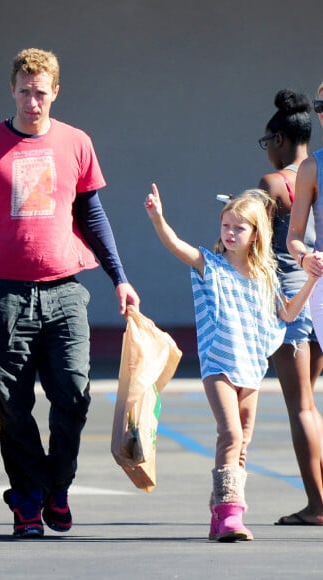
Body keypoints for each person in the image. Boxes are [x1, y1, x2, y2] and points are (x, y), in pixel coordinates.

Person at [0, 47, 140, 538]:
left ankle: (58, 486)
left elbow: (93, 216)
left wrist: (119, 277)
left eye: (41, 92)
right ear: (11, 90)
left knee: (74, 396)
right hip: (2, 293)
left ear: (55, 91)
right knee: (11, 402)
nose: (32, 101)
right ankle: (29, 497)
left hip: (64, 290)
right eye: (24, 91)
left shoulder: (76, 143)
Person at [145, 184, 318, 542]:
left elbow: (287, 314)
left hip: (251, 367)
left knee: (243, 442)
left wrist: (312, 280)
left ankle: (222, 511)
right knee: (231, 434)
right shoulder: (213, 266)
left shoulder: (265, 276)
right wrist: (159, 219)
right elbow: (178, 247)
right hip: (219, 365)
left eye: (238, 227)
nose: (230, 233)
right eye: (226, 226)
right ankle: (230, 515)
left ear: (255, 234)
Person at [257, 89, 323, 526]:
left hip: (294, 298)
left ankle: (318, 505)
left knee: (301, 405)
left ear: (280, 139)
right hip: (317, 294)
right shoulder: (313, 168)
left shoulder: (275, 183)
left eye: (267, 143)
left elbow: (254, 241)